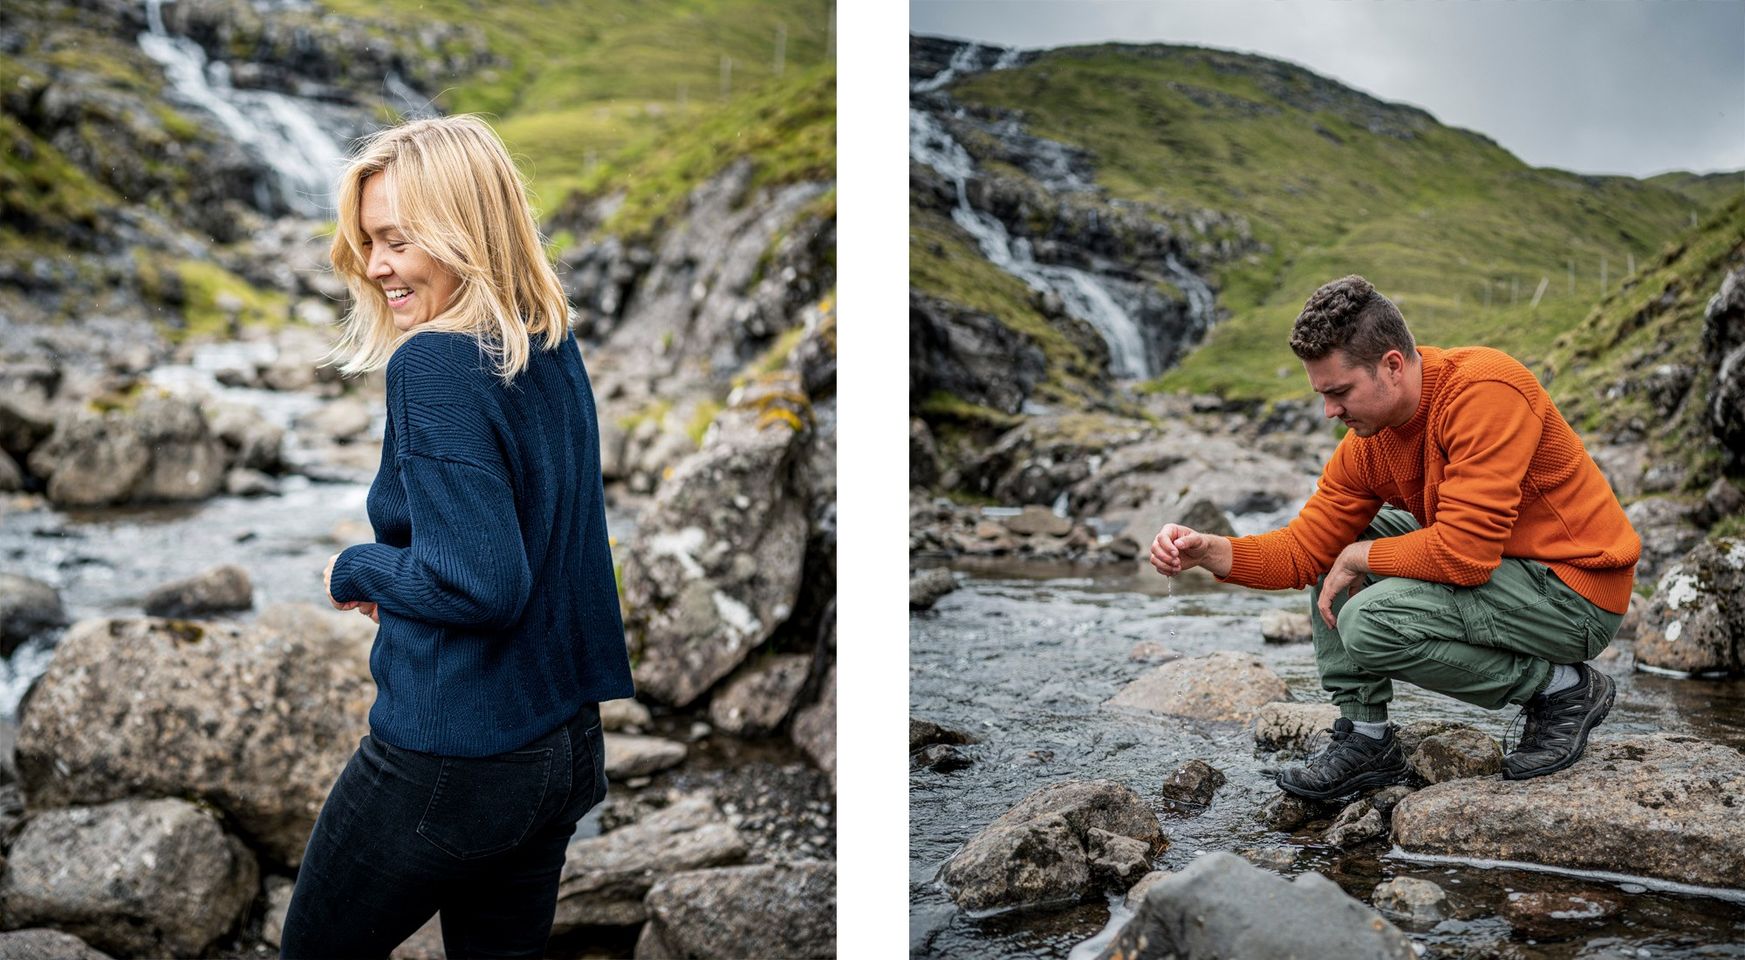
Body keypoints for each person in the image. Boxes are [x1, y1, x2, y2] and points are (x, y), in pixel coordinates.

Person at [281, 114, 634, 959]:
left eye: (397, 239)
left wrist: (357, 567)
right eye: (368, 241)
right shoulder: (544, 339)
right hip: (559, 747)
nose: (374, 267)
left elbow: (480, 583)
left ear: (464, 231)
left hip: (451, 758)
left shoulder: (434, 364)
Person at [1149, 275, 1639, 800]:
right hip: (1506, 572)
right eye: (1322, 395)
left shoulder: (1485, 390)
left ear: (1392, 365)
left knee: (1368, 621)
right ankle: (1367, 739)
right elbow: (1301, 553)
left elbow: (1465, 554)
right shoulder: (1368, 443)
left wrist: (1360, 557)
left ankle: (1563, 690)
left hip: (1575, 594)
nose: (1329, 412)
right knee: (1341, 547)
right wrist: (1210, 550)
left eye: (1339, 392)